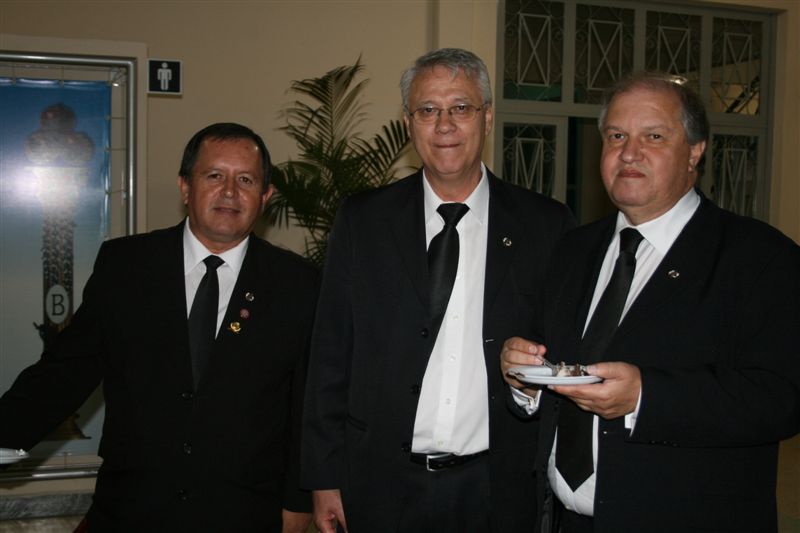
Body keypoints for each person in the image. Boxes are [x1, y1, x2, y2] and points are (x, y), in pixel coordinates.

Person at [501, 73, 800, 532]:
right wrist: (523, 377)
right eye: (616, 136)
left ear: (695, 151)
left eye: (654, 136)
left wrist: (646, 396)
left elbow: (782, 398)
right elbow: (551, 362)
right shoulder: (573, 249)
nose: (629, 152)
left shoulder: (760, 257)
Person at [301, 48, 574, 533]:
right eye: (428, 110)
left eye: (460, 108)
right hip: (381, 483)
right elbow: (329, 355)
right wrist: (323, 478)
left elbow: (562, 350)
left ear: (487, 118)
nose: (444, 125)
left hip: (497, 487)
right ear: (409, 124)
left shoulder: (545, 225)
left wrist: (531, 381)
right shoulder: (364, 221)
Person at [0, 123, 318, 532]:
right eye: (214, 176)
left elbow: (307, 404)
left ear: (265, 196)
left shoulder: (298, 284)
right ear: (185, 187)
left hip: (245, 513)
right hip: (133, 509)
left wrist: (299, 501)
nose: (229, 192)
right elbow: (64, 372)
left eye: (246, 180)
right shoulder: (126, 266)